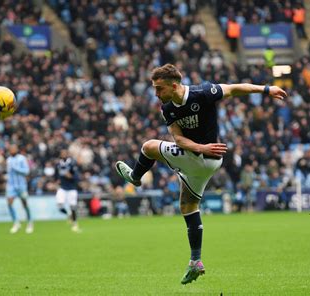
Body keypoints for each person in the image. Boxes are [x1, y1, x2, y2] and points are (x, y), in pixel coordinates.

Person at [115, 63, 286, 284]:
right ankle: (196, 261)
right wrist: (201, 148)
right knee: (187, 205)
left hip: (204, 157)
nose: (156, 94)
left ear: (174, 85)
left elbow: (235, 88)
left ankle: (135, 178)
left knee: (148, 147)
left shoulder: (203, 93)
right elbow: (177, 139)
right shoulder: (167, 107)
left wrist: (266, 89)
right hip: (204, 159)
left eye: (159, 89)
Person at [6, 144, 33, 234]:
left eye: (13, 148)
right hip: (11, 186)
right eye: (10, 149)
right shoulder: (8, 160)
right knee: (9, 203)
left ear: (17, 149)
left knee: (24, 204)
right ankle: (16, 222)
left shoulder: (22, 158)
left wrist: (16, 169)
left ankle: (30, 222)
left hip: (21, 186)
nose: (12, 150)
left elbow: (26, 171)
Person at [55, 149, 81, 232]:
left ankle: (75, 223)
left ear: (67, 154)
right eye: (62, 153)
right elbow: (56, 175)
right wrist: (56, 181)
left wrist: (71, 177)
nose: (63, 155)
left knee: (73, 207)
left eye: (65, 153)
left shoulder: (72, 163)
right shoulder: (58, 164)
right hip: (62, 187)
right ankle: (68, 214)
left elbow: (77, 177)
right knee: (59, 205)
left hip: (71, 188)